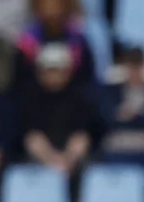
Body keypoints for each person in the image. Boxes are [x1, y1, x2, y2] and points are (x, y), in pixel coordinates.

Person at [18, 42, 96, 176]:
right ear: (40, 72)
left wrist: (68, 158)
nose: (53, 76)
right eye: (49, 70)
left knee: (82, 143)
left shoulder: (79, 98)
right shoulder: (30, 99)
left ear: (67, 72)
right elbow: (31, 136)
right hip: (41, 156)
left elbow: (82, 134)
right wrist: (52, 160)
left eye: (57, 70)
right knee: (32, 142)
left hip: (71, 158)